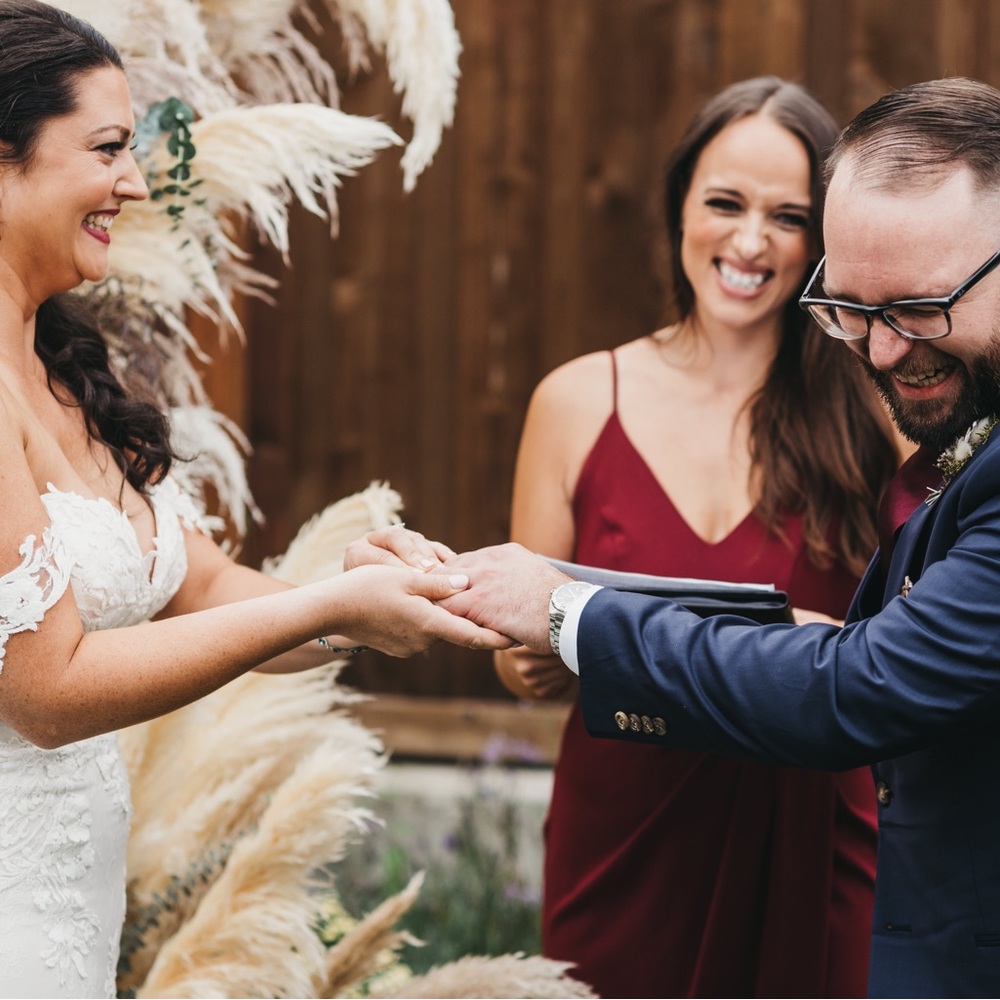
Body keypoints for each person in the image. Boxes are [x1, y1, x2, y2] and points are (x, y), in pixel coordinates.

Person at [433, 76, 1000, 998]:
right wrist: (532, 639)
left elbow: (897, 650)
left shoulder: (894, 397)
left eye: (785, 216)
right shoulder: (579, 398)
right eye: (724, 203)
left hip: (812, 814)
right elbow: (525, 651)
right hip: (631, 822)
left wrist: (576, 616)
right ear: (678, 210)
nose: (748, 241)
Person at [0, 4, 507, 996]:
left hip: (69, 912)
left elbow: (210, 591)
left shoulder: (61, 368)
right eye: (107, 148)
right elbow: (46, 691)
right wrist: (324, 607)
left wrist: (357, 596)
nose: (135, 183)